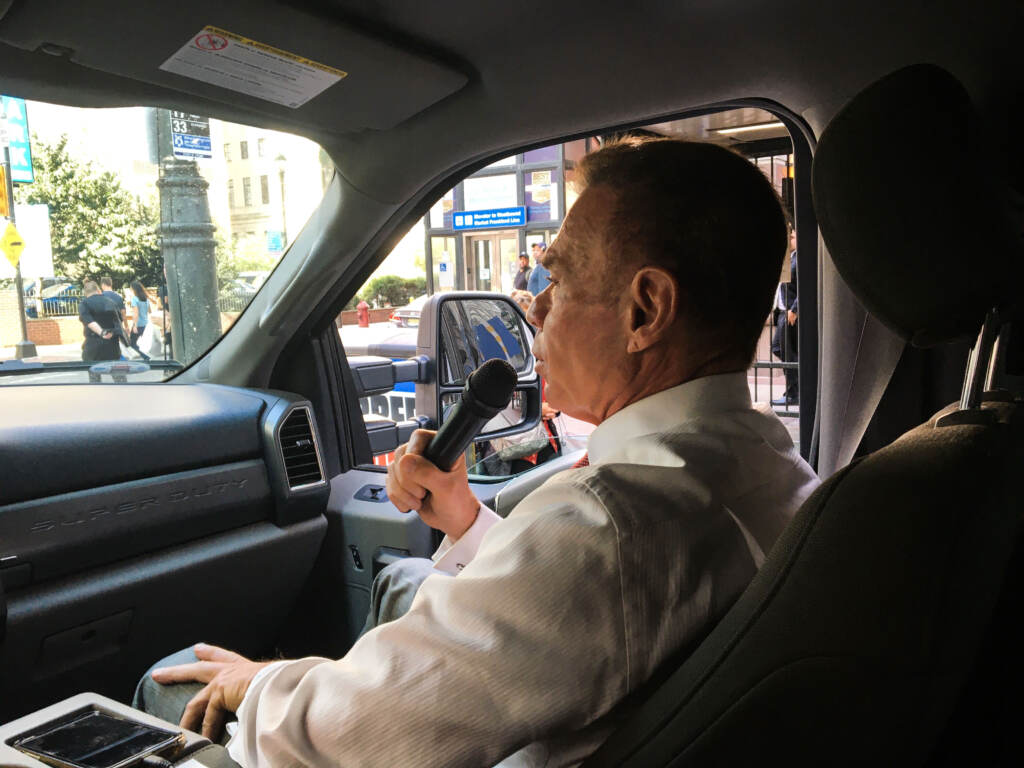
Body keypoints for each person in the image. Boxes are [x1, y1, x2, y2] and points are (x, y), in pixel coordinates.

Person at [137, 137, 820, 767]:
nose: (539, 307)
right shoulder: (768, 463)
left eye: (562, 278)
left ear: (645, 310)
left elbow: (355, 741)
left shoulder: (608, 527)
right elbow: (592, 609)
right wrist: (466, 522)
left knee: (170, 687)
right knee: (405, 579)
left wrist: (259, 684)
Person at [770, 227, 799, 406]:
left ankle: (793, 393)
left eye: (793, 237)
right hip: (781, 311)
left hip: (789, 312)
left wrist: (794, 309)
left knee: (788, 352)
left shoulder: (800, 258)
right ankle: (798, 386)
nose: (790, 239)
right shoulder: (789, 258)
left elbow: (804, 286)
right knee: (778, 348)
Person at [78, 279, 121, 362]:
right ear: (98, 290)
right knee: (115, 370)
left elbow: (89, 321)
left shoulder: (84, 304)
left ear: (85, 293)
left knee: (93, 370)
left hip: (93, 344)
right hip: (112, 344)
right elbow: (118, 322)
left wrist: (102, 332)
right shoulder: (111, 302)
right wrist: (112, 333)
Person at [128, 280, 153, 361]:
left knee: (132, 343)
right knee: (138, 342)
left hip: (138, 324)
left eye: (131, 289)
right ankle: (144, 355)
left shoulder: (134, 299)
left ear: (134, 289)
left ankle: (145, 357)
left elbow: (136, 314)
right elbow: (150, 311)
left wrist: (135, 325)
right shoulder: (146, 299)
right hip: (145, 323)